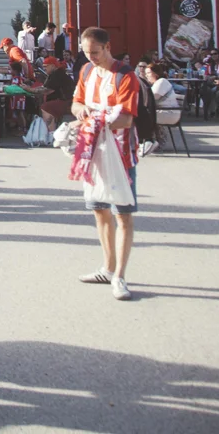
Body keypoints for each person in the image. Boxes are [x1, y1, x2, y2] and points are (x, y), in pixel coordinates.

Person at [72, 26, 141, 302]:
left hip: (120, 153)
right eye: (86, 52)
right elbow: (76, 103)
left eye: (95, 52)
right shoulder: (87, 71)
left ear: (108, 47)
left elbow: (126, 119)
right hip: (93, 151)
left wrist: (95, 119)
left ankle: (120, 275)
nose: (91, 57)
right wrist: (82, 111)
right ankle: (107, 268)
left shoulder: (126, 75)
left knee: (123, 214)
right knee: (99, 210)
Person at [39, 56, 75, 128]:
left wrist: (29, 89)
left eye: (46, 66)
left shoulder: (57, 74)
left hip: (67, 102)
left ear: (52, 66)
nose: (44, 68)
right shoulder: (56, 73)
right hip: (67, 102)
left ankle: (51, 131)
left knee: (45, 107)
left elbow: (47, 90)